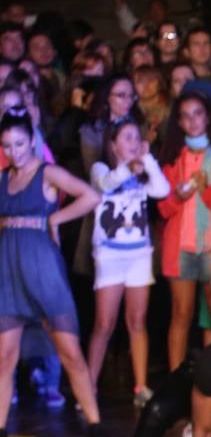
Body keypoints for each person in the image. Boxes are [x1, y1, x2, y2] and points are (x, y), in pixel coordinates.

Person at [0, 108, 115, 437]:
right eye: (7, 145)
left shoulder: (47, 172)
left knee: (70, 352)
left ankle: (94, 424)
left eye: (19, 143)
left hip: (42, 269)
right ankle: (0, 430)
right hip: (9, 269)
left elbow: (91, 196)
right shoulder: (3, 178)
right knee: (5, 355)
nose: (14, 151)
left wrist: (56, 220)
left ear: (32, 140)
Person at [156, 90, 211, 369]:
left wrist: (206, 191)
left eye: (197, 114)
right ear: (179, 123)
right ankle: (175, 381)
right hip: (181, 246)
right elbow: (163, 209)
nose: (193, 121)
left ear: (208, 117)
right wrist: (178, 197)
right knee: (180, 314)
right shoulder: (172, 158)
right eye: (186, 116)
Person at [86, 116, 169, 404]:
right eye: (128, 138)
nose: (134, 143)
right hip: (109, 255)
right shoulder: (101, 168)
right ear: (113, 144)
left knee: (137, 320)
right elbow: (106, 185)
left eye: (137, 137)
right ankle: (89, 385)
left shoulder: (142, 169)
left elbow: (162, 190)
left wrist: (148, 160)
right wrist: (128, 167)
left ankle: (141, 387)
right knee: (104, 323)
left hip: (139, 255)